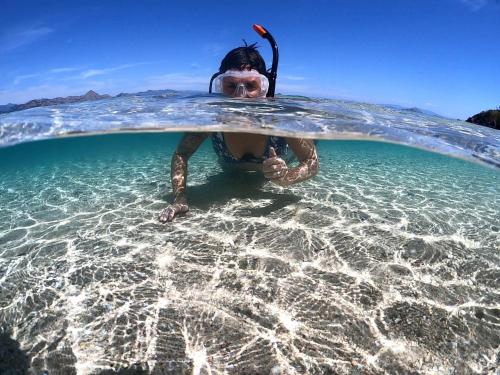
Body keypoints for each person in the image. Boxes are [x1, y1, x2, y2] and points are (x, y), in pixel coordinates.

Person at [158, 44, 319, 223]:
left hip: (283, 159)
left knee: (311, 141)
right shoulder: (212, 120)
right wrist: (179, 198)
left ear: (264, 88)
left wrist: (286, 177)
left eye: (251, 85)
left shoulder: (281, 119)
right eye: (231, 85)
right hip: (232, 171)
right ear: (219, 85)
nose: (240, 96)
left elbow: (311, 162)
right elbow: (182, 153)